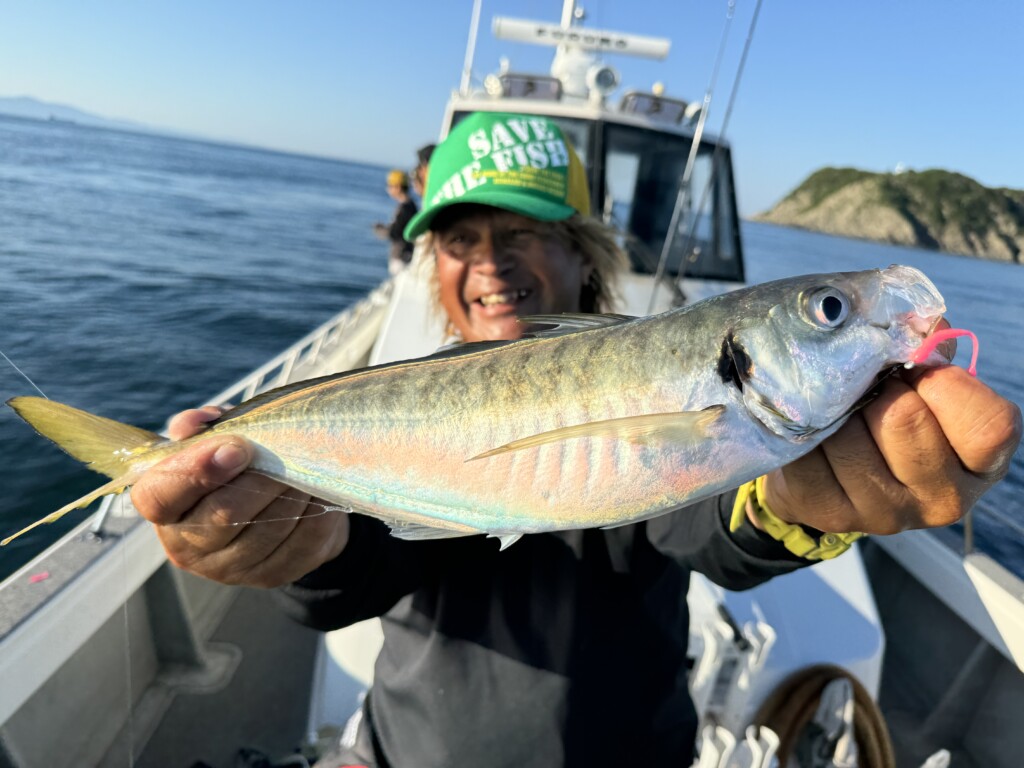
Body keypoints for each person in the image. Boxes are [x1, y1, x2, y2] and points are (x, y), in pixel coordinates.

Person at [130, 112, 1022, 768]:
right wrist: (298, 546)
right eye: (461, 239)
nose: (490, 261)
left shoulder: (674, 368)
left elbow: (708, 518)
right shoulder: (397, 396)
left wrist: (798, 507)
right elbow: (362, 560)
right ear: (435, 266)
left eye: (523, 232)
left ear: (581, 256)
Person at [373, 169, 417, 274]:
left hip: (402, 257)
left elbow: (395, 232)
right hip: (406, 255)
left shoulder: (405, 208)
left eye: (390, 185)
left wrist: (380, 230)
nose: (388, 189)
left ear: (398, 187)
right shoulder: (409, 206)